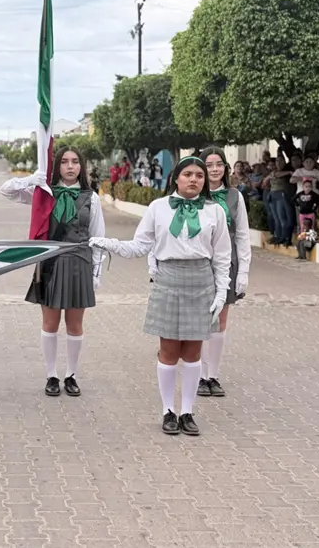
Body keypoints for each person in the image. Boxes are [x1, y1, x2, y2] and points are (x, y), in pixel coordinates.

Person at [90, 156, 231, 436]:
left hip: (201, 280)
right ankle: (168, 410)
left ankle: (188, 411)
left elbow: (223, 255)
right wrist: (108, 244)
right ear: (175, 178)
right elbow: (139, 246)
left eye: (199, 176)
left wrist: (222, 290)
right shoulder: (158, 208)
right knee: (168, 350)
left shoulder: (215, 211)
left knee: (193, 352)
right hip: (168, 278)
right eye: (188, 174)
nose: (194, 180)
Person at [0, 146, 106, 397]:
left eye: (75, 162)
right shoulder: (44, 193)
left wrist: (97, 272)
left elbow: (98, 237)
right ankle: (51, 375)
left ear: (82, 166)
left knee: (75, 324)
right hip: (49, 261)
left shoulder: (91, 197)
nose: (70, 166)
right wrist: (31, 179)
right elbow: (7, 191)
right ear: (57, 165)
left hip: (79, 261)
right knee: (50, 323)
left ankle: (71, 374)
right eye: (65, 162)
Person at [195, 148, 251, 398]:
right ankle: (197, 374)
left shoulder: (234, 196)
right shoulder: (193, 195)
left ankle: (212, 375)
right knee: (198, 320)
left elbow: (242, 235)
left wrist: (243, 272)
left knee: (220, 321)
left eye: (219, 164)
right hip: (198, 265)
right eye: (209, 165)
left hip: (227, 264)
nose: (215, 169)